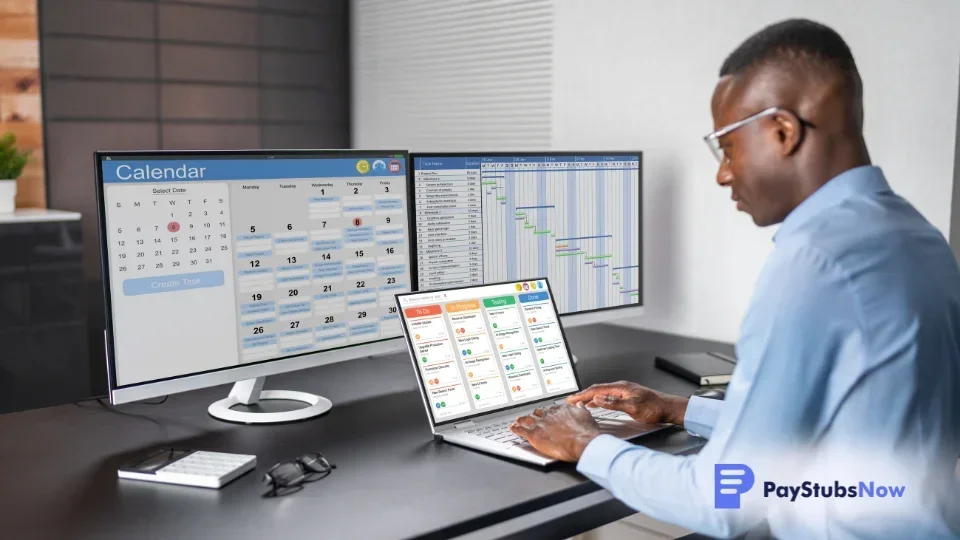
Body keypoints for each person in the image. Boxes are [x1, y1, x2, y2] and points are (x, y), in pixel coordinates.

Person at [509, 18, 960, 539]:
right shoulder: (918, 237)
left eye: (727, 148)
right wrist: (675, 409)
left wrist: (585, 443)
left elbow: (725, 499)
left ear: (783, 132)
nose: (723, 173)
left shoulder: (815, 263)